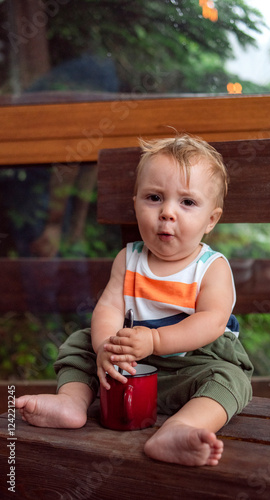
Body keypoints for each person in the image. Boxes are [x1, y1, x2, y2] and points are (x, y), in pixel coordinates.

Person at [16, 134, 253, 467]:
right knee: (79, 343)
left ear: (211, 220)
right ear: (136, 203)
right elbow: (110, 307)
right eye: (154, 197)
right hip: (126, 368)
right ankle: (72, 402)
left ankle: (182, 428)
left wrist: (155, 339)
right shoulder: (129, 259)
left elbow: (212, 321)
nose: (167, 212)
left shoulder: (210, 268)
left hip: (191, 365)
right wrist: (105, 348)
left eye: (187, 202)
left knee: (231, 379)